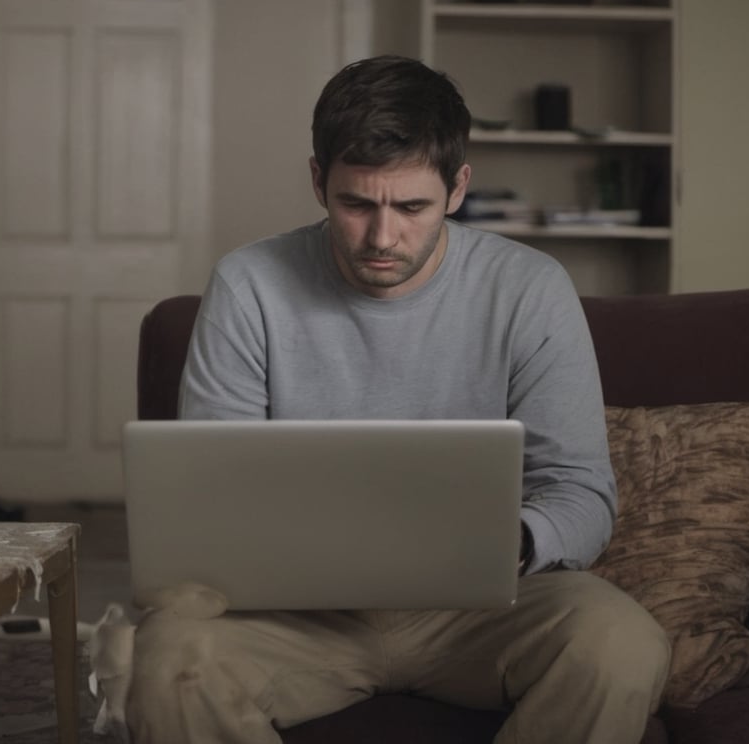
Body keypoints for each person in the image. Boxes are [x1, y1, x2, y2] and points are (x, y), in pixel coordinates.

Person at [126, 55, 669, 744]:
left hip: (483, 607)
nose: (383, 238)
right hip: (295, 616)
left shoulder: (531, 289)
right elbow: (210, 496)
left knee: (622, 644)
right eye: (357, 204)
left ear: (458, 186)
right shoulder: (249, 285)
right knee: (170, 656)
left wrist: (512, 543)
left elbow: (582, 493)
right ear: (319, 180)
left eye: (411, 206)